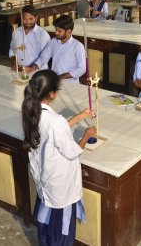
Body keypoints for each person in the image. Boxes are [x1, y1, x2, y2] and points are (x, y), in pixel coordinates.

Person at [22, 70, 96, 245]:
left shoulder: (32, 111)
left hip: (44, 179)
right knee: (61, 231)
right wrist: (86, 135)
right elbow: (72, 151)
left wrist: (78, 117)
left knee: (46, 224)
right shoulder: (55, 121)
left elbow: (53, 131)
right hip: (59, 186)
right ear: (53, 94)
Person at [26, 15, 86, 83]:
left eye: (59, 31)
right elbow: (43, 58)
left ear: (68, 31)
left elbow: (81, 69)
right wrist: (32, 68)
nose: (56, 33)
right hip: (55, 81)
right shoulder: (53, 42)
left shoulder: (78, 46)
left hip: (71, 83)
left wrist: (61, 77)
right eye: (56, 30)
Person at [9, 5, 51, 71]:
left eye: (31, 19)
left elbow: (45, 57)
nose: (28, 22)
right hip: (21, 71)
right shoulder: (16, 32)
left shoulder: (43, 35)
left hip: (38, 72)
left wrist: (32, 68)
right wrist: (14, 62)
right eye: (25, 19)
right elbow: (12, 49)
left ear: (36, 18)